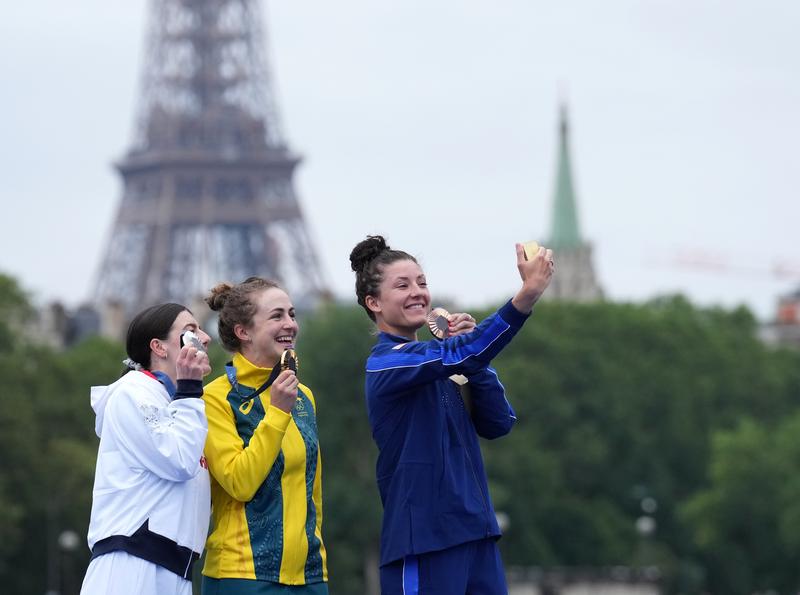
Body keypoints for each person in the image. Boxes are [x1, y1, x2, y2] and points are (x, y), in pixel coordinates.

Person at [348, 235, 554, 595]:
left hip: (477, 533)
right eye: (402, 285)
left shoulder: (441, 358)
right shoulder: (386, 363)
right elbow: (461, 355)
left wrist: (475, 359)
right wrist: (526, 295)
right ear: (374, 302)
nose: (418, 292)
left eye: (422, 282)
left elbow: (499, 423)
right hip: (425, 540)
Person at [201, 277, 328, 595]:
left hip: (309, 578)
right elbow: (239, 482)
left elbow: (312, 493)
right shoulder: (214, 398)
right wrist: (277, 413)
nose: (290, 324)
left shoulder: (304, 397)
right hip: (243, 576)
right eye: (276, 316)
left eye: (292, 314)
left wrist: (318, 564)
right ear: (243, 332)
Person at [80, 303, 213, 595]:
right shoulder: (132, 393)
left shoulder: (177, 404)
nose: (205, 338)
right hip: (133, 565)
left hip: (175, 570)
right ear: (159, 347)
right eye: (190, 331)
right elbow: (178, 461)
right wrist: (191, 389)